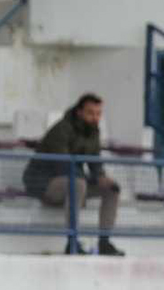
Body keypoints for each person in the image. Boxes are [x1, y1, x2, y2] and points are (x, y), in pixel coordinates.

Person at [21, 94, 124, 256]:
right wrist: (90, 178)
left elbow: (95, 163)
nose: (95, 118)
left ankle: (104, 242)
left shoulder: (94, 132)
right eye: (91, 113)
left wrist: (101, 177)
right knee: (78, 184)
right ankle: (72, 242)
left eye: (98, 114)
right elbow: (62, 165)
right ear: (79, 112)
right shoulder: (61, 129)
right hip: (42, 182)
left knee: (111, 189)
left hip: (71, 181)